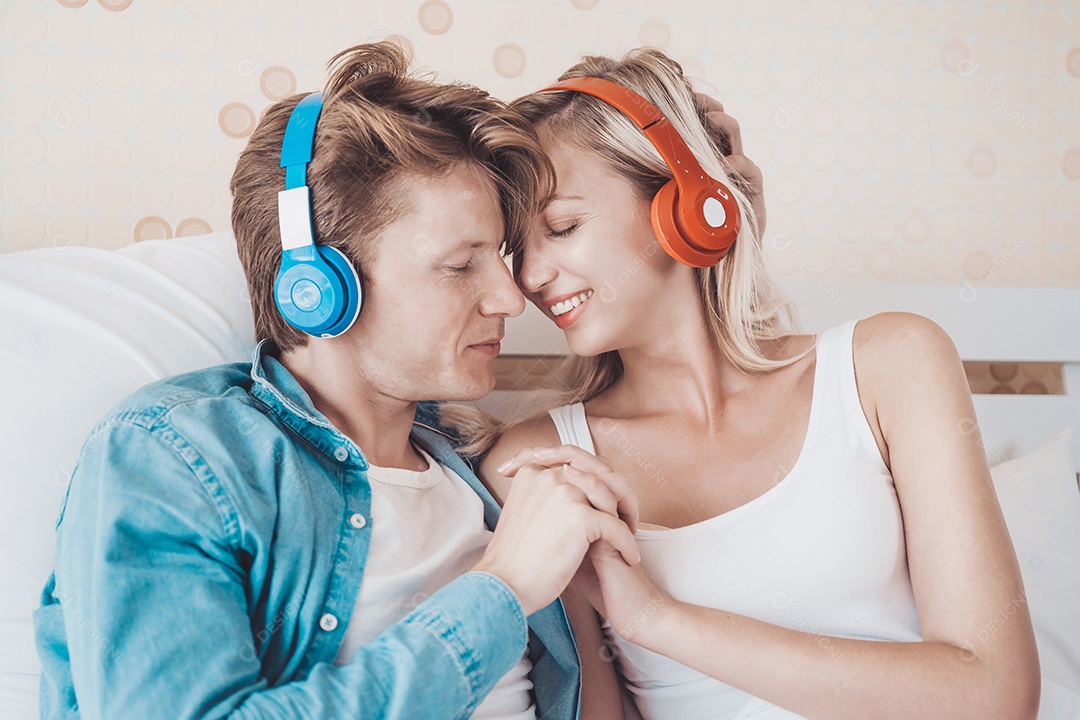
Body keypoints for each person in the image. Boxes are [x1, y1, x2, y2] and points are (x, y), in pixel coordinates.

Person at [33, 39, 641, 720]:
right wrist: (502, 588)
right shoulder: (170, 459)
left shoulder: (490, 477)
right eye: (459, 264)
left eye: (496, 255)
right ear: (317, 288)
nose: (510, 297)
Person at [480, 48, 1041, 720]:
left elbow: (994, 694)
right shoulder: (541, 464)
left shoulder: (890, 365)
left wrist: (655, 618)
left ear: (684, 206)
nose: (531, 276)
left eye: (562, 226)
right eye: (519, 247)